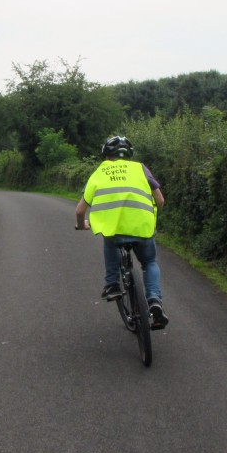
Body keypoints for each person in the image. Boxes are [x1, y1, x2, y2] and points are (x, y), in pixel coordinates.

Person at [75, 135, 169, 329]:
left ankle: (112, 285)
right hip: (142, 227)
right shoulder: (140, 168)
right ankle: (154, 301)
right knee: (149, 262)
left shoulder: (100, 172)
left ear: (105, 155)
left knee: (110, 239)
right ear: (129, 155)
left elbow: (80, 210)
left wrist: (83, 224)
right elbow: (160, 200)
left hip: (115, 230)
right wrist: (150, 218)